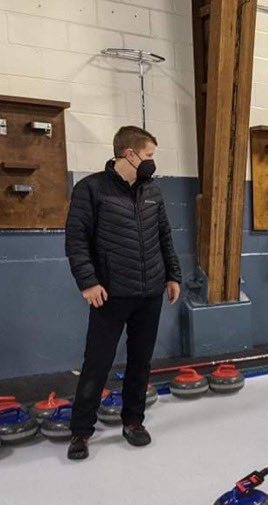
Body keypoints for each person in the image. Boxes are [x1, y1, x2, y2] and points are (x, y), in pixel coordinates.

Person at [64, 126, 182, 460]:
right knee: (97, 364)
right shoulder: (91, 189)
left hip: (149, 293)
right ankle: (81, 432)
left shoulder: (152, 191)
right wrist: (88, 282)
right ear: (129, 154)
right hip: (110, 294)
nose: (151, 163)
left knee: (140, 362)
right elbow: (76, 240)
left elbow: (165, 236)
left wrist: (173, 275)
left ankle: (133, 421)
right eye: (148, 156)